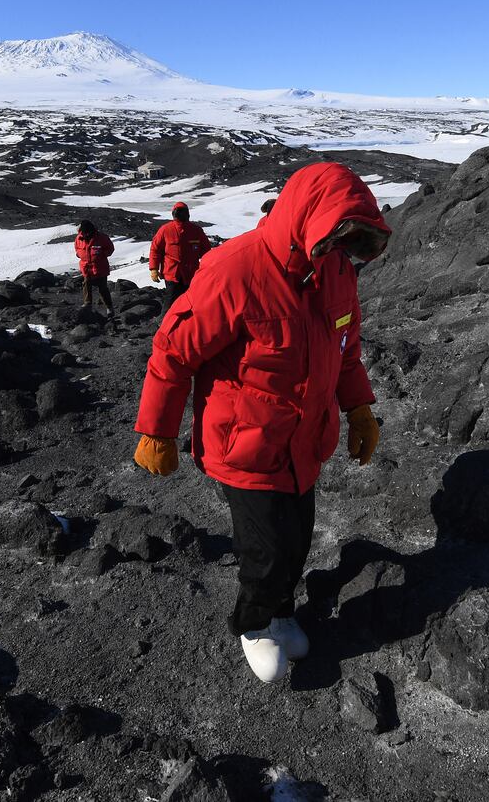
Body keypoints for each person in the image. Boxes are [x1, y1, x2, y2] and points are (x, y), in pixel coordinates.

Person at [131, 163, 391, 683]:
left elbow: (346, 351)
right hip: (243, 445)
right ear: (308, 220)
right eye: (339, 239)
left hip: (303, 444)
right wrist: (156, 430)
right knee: (265, 548)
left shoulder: (337, 271)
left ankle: (280, 611)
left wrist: (358, 408)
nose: (344, 252)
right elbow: (172, 351)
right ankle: (253, 625)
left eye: (354, 243)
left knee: (297, 538)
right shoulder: (236, 269)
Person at [149, 202, 211, 307]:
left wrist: (209, 268)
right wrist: (153, 269)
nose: (180, 214)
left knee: (191, 303)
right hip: (172, 275)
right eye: (178, 211)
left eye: (183, 211)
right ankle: (165, 323)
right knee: (170, 305)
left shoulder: (196, 230)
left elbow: (206, 252)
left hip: (191, 275)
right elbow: (155, 250)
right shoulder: (165, 230)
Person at [74, 219, 115, 315]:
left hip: (100, 266)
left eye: (88, 232)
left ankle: (109, 307)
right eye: (85, 232)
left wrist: (102, 254)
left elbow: (110, 249)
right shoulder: (79, 238)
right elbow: (77, 247)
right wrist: (79, 254)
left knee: (103, 288)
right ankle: (87, 304)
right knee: (86, 284)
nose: (86, 234)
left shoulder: (102, 237)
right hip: (86, 266)